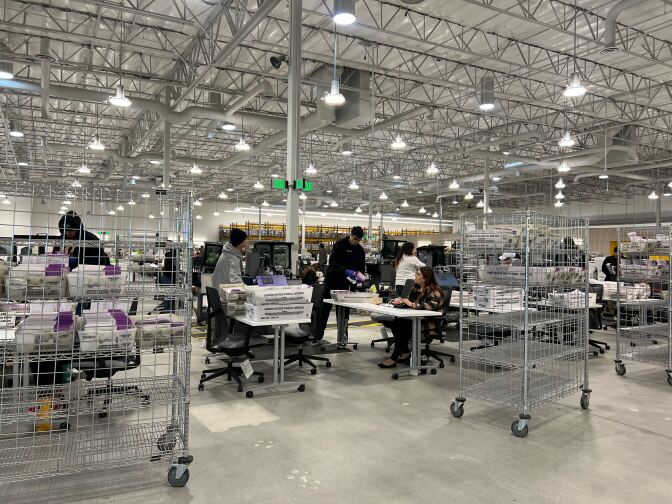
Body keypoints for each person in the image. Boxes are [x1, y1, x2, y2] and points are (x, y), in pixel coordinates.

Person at [378, 267, 445, 368]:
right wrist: (401, 301)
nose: (415, 276)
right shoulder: (416, 288)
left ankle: (394, 357)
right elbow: (408, 300)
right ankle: (404, 352)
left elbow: (429, 306)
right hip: (414, 318)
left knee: (401, 326)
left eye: (418, 275)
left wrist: (411, 304)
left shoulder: (435, 290)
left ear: (425, 278)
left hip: (427, 322)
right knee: (395, 322)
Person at [313, 226, 366, 342]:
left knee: (343, 311)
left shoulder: (360, 251)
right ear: (350, 235)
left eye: (358, 240)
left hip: (346, 283)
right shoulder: (339, 244)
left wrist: (360, 277)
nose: (356, 241)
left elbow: (362, 269)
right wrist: (345, 270)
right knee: (325, 308)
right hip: (332, 280)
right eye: (355, 238)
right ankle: (318, 335)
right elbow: (332, 263)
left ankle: (343, 336)